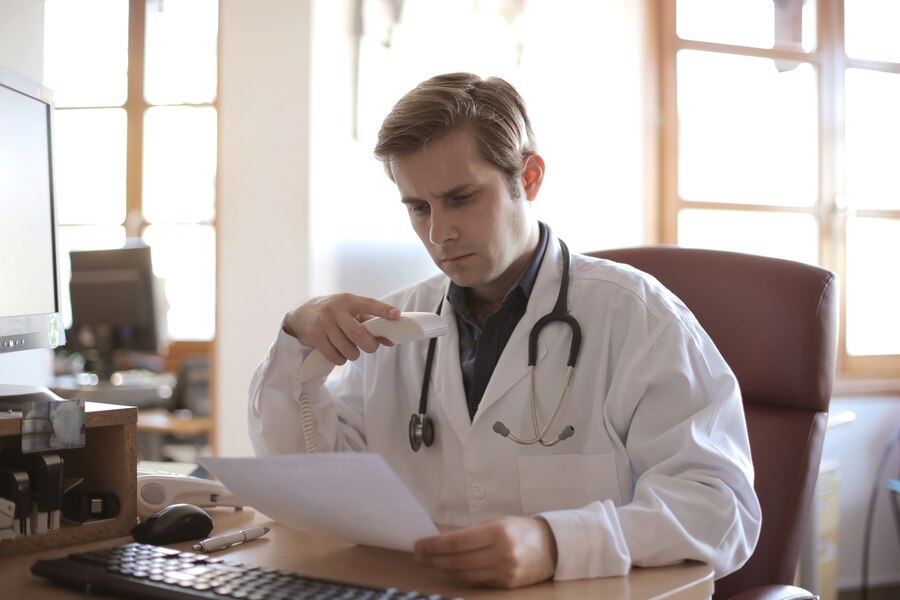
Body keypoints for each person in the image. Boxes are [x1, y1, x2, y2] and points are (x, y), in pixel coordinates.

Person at [248, 72, 761, 589]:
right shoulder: (392, 327)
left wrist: (557, 544)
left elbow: (721, 509)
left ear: (530, 178)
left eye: (462, 197)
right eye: (418, 207)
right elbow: (311, 482)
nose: (438, 233)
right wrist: (297, 343)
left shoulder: (639, 318)